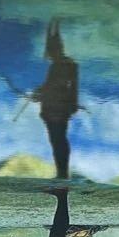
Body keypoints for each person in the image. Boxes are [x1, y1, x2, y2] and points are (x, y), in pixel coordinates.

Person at [32, 20, 79, 179]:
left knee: (59, 140)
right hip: (52, 108)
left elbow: (63, 86)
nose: (50, 55)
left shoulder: (67, 65)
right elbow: (52, 85)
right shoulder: (58, 65)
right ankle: (61, 173)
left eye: (51, 50)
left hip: (58, 109)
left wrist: (42, 92)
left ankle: (62, 174)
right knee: (56, 140)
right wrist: (41, 91)